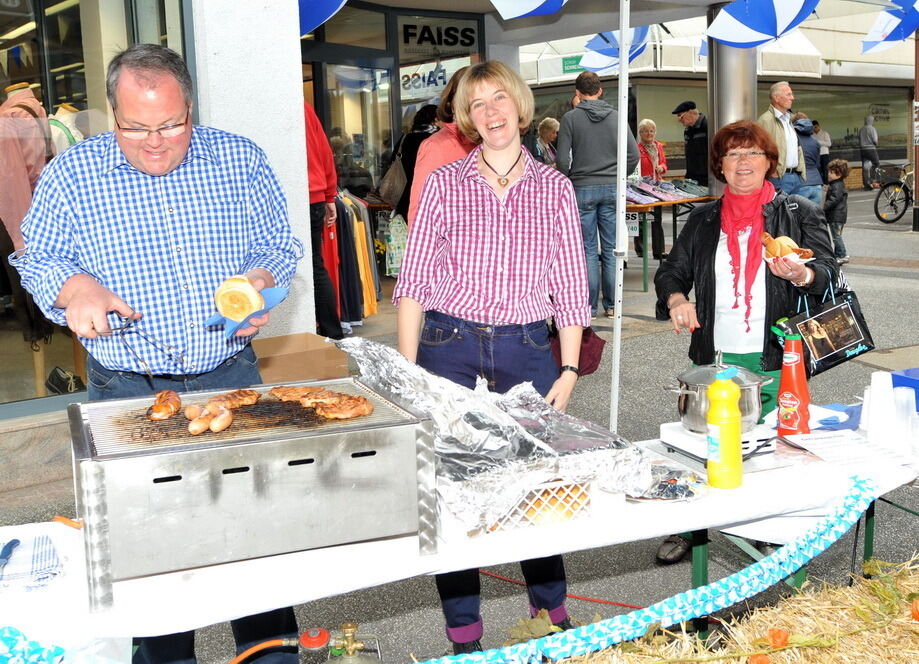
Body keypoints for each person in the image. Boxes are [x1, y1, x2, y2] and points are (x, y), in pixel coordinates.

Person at [9, 44, 303, 664]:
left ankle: (273, 654)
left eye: (171, 125)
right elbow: (36, 256)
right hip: (128, 389)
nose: (154, 142)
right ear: (110, 113)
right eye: (134, 127)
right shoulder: (73, 175)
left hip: (231, 378)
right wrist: (73, 286)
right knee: (152, 546)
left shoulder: (239, 160)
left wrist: (258, 285)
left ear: (191, 108)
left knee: (253, 532)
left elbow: (279, 247)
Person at [393, 60, 589, 655]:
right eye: (477, 105)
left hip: (527, 347)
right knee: (452, 494)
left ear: (520, 107)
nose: (491, 113)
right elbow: (414, 283)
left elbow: (572, 285)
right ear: (466, 119)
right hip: (448, 348)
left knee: (537, 487)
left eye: (499, 99)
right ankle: (465, 638)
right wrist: (407, 375)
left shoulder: (555, 188)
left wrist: (570, 368)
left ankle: (551, 616)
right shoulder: (444, 183)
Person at [652, 121, 837, 565]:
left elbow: (829, 270)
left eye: (753, 153)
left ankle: (772, 529)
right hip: (718, 354)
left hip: (778, 351)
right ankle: (693, 527)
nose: (743, 163)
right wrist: (677, 299)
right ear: (720, 166)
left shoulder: (797, 212)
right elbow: (671, 271)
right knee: (708, 445)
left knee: (773, 448)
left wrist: (803, 274)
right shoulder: (703, 219)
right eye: (733, 155)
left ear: (769, 162)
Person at [557, 70, 640, 319]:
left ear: (578, 93)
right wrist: (618, 175)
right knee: (613, 248)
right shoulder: (617, 117)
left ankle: (590, 307)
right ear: (600, 90)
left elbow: (561, 159)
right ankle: (613, 305)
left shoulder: (570, 119)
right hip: (613, 188)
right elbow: (633, 155)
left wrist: (570, 177)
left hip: (582, 188)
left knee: (587, 250)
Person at [0, 81, 55, 347]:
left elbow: (13, 185)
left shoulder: (9, 117)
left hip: (19, 211)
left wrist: (21, 241)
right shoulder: (37, 110)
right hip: (40, 206)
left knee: (21, 280)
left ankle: (34, 332)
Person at [407, 66, 475, 226]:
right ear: (452, 104)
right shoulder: (436, 146)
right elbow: (421, 214)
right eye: (469, 98)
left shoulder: (491, 144)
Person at [305, 101, 344, 339]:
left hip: (303, 194)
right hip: (315, 195)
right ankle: (333, 332)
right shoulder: (306, 108)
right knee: (315, 267)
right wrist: (329, 194)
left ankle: (329, 332)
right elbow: (324, 152)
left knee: (309, 268)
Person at [390, 104, 438, 219]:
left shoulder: (404, 138)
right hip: (429, 196)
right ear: (435, 120)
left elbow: (392, 161)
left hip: (404, 196)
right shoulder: (436, 140)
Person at [756, 81, 804, 195]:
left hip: (795, 177)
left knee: (794, 212)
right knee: (779, 212)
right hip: (778, 178)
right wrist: (771, 171)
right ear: (776, 98)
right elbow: (759, 150)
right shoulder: (766, 120)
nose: (792, 98)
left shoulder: (788, 119)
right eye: (788, 94)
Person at [635, 118, 667, 259]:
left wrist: (662, 167)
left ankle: (659, 251)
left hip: (657, 185)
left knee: (657, 219)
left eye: (652, 131)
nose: (649, 133)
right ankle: (640, 249)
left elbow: (664, 163)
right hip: (641, 186)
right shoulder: (636, 148)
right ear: (641, 133)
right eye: (646, 131)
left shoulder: (659, 146)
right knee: (641, 218)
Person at [671, 100, 708, 186]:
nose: (679, 120)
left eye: (680, 116)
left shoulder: (707, 126)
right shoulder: (687, 130)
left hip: (706, 179)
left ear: (691, 112)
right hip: (692, 178)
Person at [791, 115, 823, 205]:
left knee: (799, 217)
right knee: (813, 217)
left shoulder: (793, 141)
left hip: (801, 183)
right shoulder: (815, 142)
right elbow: (817, 164)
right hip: (817, 184)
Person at [824, 158, 850, 264]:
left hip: (836, 216)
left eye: (832, 172)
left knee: (836, 237)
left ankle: (843, 255)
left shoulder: (837, 185)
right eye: (829, 172)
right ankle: (837, 254)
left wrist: (823, 207)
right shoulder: (837, 184)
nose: (829, 174)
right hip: (838, 215)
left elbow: (834, 199)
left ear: (839, 174)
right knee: (836, 236)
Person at [859, 115, 880, 190]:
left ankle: (866, 184)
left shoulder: (861, 129)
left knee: (865, 167)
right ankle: (872, 181)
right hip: (871, 149)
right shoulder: (872, 129)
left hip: (863, 150)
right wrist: (876, 144)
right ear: (871, 121)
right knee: (876, 164)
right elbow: (875, 140)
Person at [812, 120, 831, 184]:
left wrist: (819, 142)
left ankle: (827, 184)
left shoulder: (825, 133)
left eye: (816, 127)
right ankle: (820, 184)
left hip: (824, 154)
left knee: (826, 170)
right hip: (816, 155)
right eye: (813, 128)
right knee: (818, 170)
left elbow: (829, 144)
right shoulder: (812, 135)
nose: (815, 129)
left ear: (819, 126)